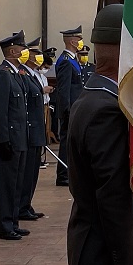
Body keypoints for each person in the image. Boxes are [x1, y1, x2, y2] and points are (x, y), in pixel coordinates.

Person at [66, 4, 133, 265]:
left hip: (96, 252)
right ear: (124, 51)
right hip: (106, 261)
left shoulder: (92, 98)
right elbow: (113, 194)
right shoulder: (110, 111)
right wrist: (124, 264)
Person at [0, 31, 31, 240]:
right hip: (9, 140)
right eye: (22, 49)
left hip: (20, 139)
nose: (25, 52)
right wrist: (2, 139)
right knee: (6, 185)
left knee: (16, 183)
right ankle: (3, 226)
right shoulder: (2, 75)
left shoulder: (16, 74)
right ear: (12, 51)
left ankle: (12, 222)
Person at [18, 37, 51, 221]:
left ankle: (26, 204)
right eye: (35, 52)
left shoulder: (33, 74)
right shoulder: (23, 74)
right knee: (26, 172)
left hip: (37, 129)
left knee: (33, 172)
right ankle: (22, 206)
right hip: (30, 131)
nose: (39, 56)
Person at [55, 25, 85, 186]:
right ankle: (63, 174)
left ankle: (68, 172)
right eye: (79, 39)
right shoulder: (66, 62)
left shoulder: (73, 60)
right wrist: (66, 111)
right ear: (73, 41)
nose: (81, 42)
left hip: (75, 107)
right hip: (69, 109)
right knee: (66, 142)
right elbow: (64, 90)